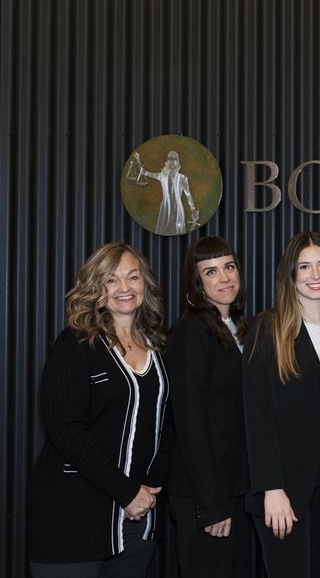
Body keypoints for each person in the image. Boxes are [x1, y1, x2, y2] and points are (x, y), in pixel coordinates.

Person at [27, 243, 169, 578]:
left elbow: (167, 424)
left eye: (133, 277)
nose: (124, 288)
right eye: (112, 280)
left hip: (137, 521)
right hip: (74, 517)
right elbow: (65, 429)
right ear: (96, 287)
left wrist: (147, 490)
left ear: (145, 284)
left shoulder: (157, 345)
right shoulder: (76, 344)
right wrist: (126, 491)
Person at [243, 232, 320, 578]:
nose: (315, 275)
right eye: (305, 267)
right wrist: (272, 488)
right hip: (284, 478)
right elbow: (257, 416)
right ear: (290, 274)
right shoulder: (267, 328)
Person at [163, 236, 251, 577]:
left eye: (229, 267)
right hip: (205, 495)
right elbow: (190, 422)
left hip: (232, 488)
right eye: (211, 272)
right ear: (197, 284)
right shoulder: (192, 332)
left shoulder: (238, 328)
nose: (224, 278)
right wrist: (211, 505)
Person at [139, 150, 200, 235]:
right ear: (167, 161)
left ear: (177, 161)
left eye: (173, 159)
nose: (171, 161)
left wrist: (193, 209)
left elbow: (188, 195)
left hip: (177, 209)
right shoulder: (162, 176)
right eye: (169, 159)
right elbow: (148, 173)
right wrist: (139, 164)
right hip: (165, 208)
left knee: (176, 231)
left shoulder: (182, 178)